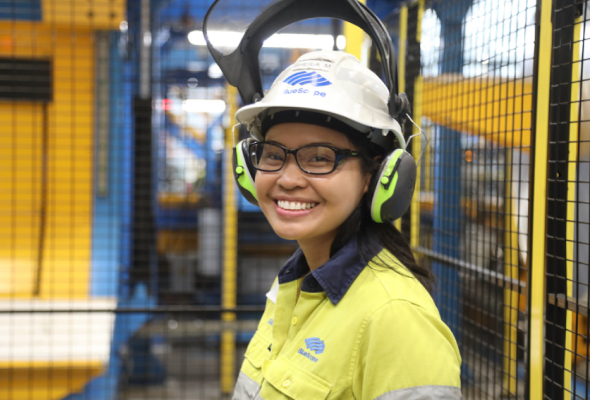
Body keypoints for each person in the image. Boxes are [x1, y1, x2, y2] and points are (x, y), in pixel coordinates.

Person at [228, 50, 462, 400]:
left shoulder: (395, 317)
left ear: (378, 175)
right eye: (274, 154)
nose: (288, 179)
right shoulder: (294, 283)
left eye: (320, 157)